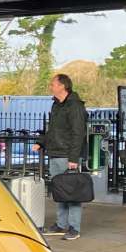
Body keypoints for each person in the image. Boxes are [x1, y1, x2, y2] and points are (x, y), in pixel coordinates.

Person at [36, 73, 88, 240]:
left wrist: (73, 158)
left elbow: (78, 133)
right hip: (55, 153)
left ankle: (74, 228)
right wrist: (41, 142)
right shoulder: (56, 105)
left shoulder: (75, 106)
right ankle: (60, 224)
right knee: (60, 192)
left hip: (67, 156)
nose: (51, 86)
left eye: (53, 84)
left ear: (62, 86)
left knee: (72, 193)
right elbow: (52, 129)